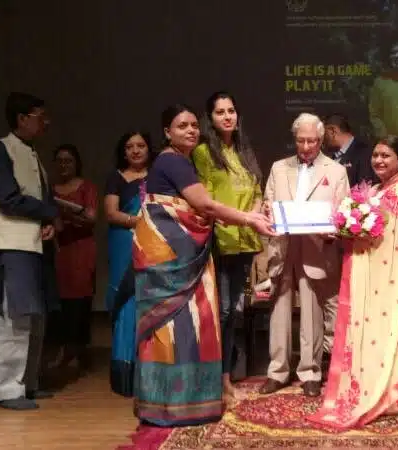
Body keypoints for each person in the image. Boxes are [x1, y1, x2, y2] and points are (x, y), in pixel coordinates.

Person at [133, 104, 274, 426]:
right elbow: (204, 205)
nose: (191, 130)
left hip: (179, 258)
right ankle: (173, 403)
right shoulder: (173, 162)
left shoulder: (180, 161)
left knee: (182, 329)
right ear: (167, 132)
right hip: (171, 260)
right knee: (176, 329)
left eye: (194, 125)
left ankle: (177, 401)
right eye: (182, 126)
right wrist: (249, 219)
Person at [306, 136, 398, 429]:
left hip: (395, 280)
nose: (378, 160)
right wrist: (343, 230)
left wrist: (356, 231)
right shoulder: (375, 190)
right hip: (371, 277)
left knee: (393, 331)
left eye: (386, 156)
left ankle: (396, 393)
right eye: (376, 155)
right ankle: (366, 385)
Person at [259, 113, 350, 398]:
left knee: (311, 310)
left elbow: (344, 213)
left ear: (321, 140)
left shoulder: (336, 171)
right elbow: (267, 202)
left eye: (312, 141)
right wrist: (267, 210)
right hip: (283, 245)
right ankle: (277, 371)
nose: (307, 146)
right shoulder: (279, 168)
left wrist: (332, 230)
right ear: (294, 139)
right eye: (301, 140)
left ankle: (310, 372)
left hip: (316, 247)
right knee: (279, 308)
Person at [0, 92, 58, 410]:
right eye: (40, 116)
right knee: (15, 316)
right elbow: (8, 198)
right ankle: (7, 390)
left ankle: (27, 383)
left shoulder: (32, 153)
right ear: (22, 118)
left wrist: (48, 222)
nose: (46, 122)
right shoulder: (0, 149)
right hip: (12, 244)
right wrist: (49, 212)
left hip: (34, 245)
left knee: (35, 316)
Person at [192, 91, 264, 399]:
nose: (227, 116)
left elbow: (257, 191)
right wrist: (243, 219)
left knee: (234, 311)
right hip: (220, 241)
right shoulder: (203, 152)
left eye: (231, 110)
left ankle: (225, 378)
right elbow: (206, 202)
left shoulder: (244, 150)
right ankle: (215, 381)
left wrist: (254, 215)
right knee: (220, 312)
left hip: (245, 241)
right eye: (220, 112)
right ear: (210, 118)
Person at [104, 130, 153, 397]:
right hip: (124, 243)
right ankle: (124, 375)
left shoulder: (157, 177)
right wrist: (142, 222)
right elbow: (111, 214)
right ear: (123, 152)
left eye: (141, 145)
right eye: (129, 147)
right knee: (125, 302)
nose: (135, 151)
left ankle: (149, 373)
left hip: (153, 244)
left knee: (149, 302)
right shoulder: (116, 178)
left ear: (149, 149)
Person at [49, 144, 98, 372]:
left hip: (82, 249)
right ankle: (62, 349)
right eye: (59, 160)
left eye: (68, 160)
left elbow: (91, 218)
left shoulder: (87, 187)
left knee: (80, 300)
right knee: (61, 302)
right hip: (59, 249)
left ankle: (78, 350)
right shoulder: (50, 190)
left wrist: (67, 214)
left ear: (77, 163)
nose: (64, 165)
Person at [323, 113, 376, 186]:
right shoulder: (331, 157)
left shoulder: (365, 153)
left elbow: (365, 187)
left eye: (323, 133)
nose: (322, 139)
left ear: (332, 131)